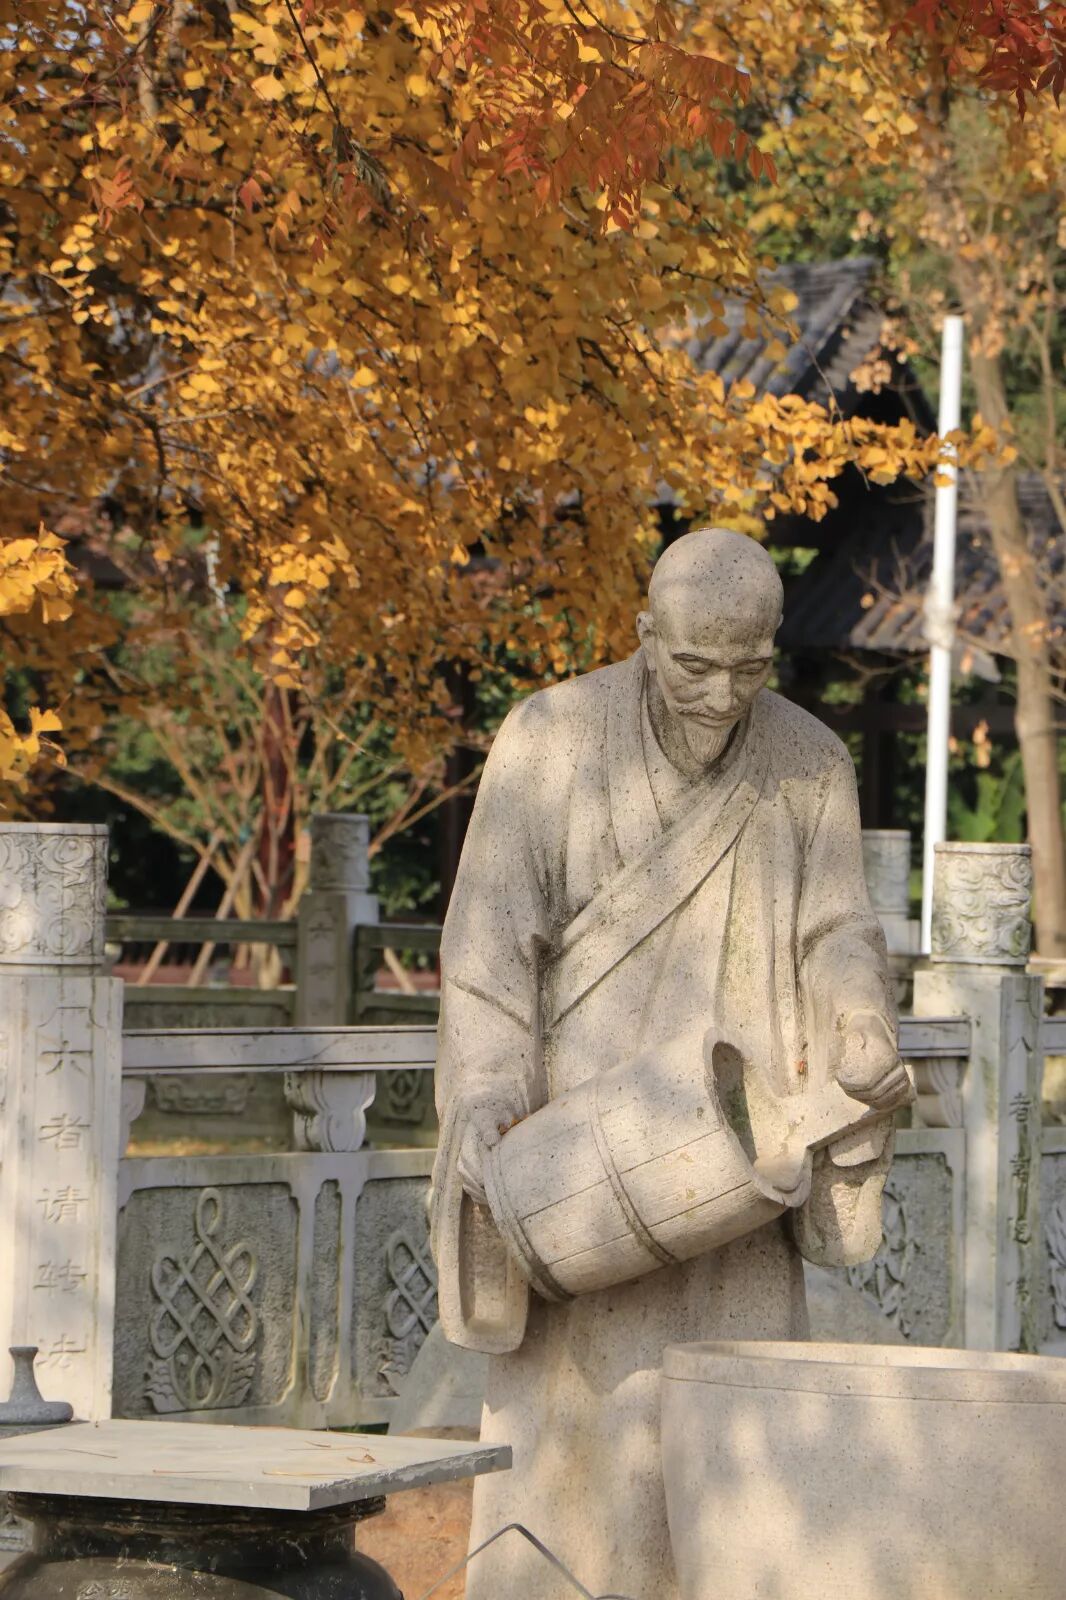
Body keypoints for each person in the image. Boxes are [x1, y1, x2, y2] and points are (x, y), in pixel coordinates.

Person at [430, 527, 908, 1600]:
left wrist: (857, 1017)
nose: (721, 692)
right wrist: (493, 1088)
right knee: (571, 1447)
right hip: (579, 1156)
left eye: (750, 665)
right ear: (645, 635)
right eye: (694, 664)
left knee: (731, 1447)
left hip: (741, 1156)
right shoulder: (549, 737)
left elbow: (837, 927)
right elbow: (488, 940)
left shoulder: (806, 761)